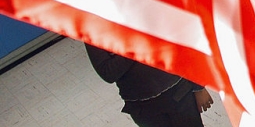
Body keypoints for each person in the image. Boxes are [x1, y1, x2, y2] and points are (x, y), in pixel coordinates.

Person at [85, 44, 213, 127]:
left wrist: (198, 86)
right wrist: (135, 46)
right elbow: (108, 73)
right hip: (144, 108)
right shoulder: (94, 26)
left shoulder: (144, 5)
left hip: (179, 94)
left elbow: (181, 44)